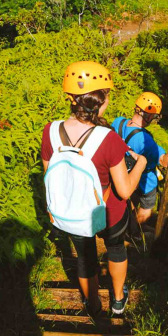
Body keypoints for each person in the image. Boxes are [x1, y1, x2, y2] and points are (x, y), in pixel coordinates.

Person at [41, 60, 146, 317]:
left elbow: (49, 176)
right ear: (103, 101)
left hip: (73, 211)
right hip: (108, 212)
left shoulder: (50, 131)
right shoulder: (109, 139)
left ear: (70, 98)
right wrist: (141, 164)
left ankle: (93, 304)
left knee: (85, 256)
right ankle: (118, 301)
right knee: (116, 249)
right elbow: (123, 191)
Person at [111, 92, 168, 228]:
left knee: (129, 203)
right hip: (145, 182)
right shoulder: (146, 141)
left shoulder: (118, 122)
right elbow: (164, 162)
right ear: (149, 115)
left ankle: (126, 225)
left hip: (122, 173)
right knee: (146, 209)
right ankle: (134, 231)